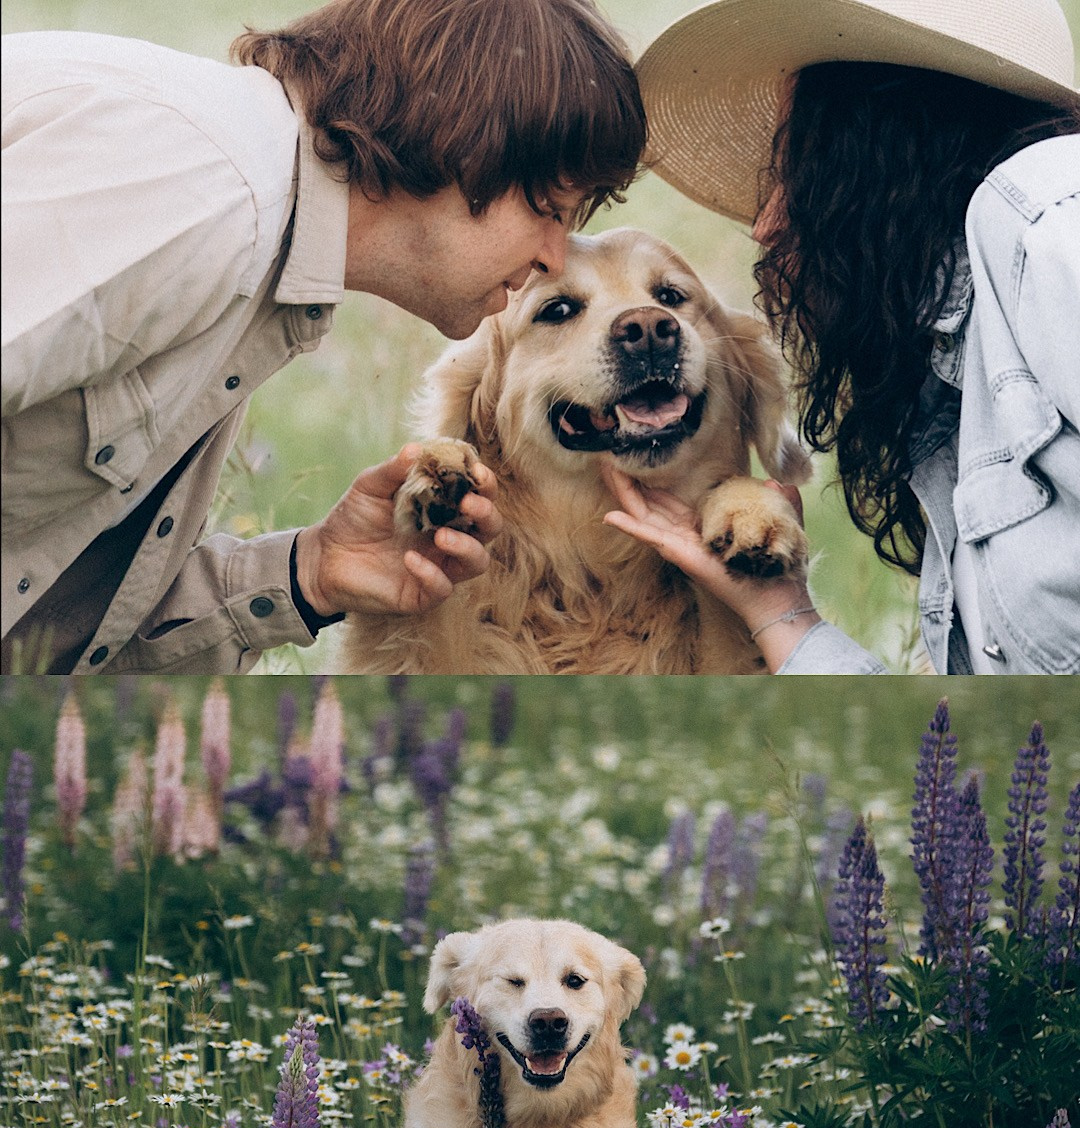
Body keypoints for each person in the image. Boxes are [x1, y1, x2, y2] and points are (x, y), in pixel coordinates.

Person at [1, 0, 646, 674]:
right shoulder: (205, 189)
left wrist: (309, 575)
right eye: (549, 209)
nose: (553, 254)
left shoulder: (256, 244)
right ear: (466, 144)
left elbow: (49, 634)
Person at [608, 0, 1080, 674]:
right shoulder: (949, 399)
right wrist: (780, 611)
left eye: (789, 165)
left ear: (871, 156)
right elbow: (986, 755)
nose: (764, 226)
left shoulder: (1047, 214)